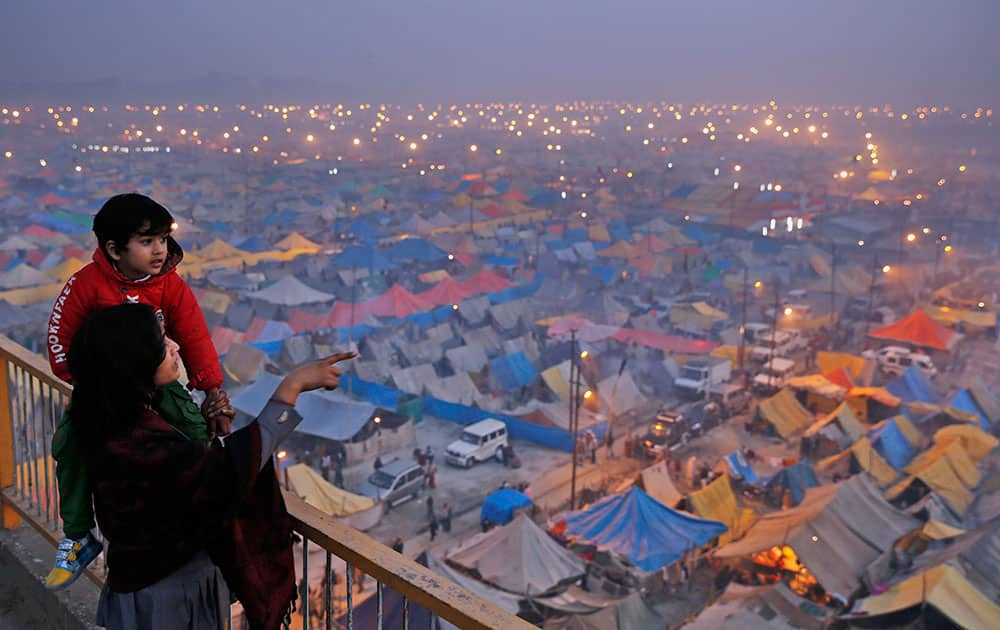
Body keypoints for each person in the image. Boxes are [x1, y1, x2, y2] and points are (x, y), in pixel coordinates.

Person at [65, 303, 357, 629]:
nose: (175, 346)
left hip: (147, 586)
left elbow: (177, 473)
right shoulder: (133, 441)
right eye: (162, 343)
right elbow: (225, 473)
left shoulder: (108, 417)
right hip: (168, 598)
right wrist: (290, 388)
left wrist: (203, 425)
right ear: (134, 361)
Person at [44, 194, 231, 591]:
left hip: (161, 385)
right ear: (114, 248)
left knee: (194, 434)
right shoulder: (86, 285)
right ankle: (79, 535)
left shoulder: (170, 286)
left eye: (163, 239)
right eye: (147, 241)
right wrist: (92, 381)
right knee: (70, 448)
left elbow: (194, 336)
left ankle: (206, 514)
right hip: (101, 389)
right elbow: (59, 340)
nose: (160, 249)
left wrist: (212, 389)